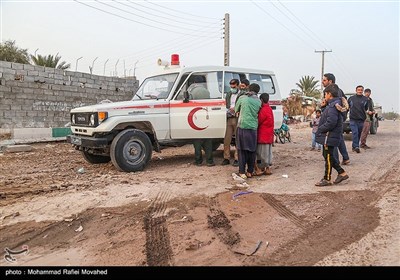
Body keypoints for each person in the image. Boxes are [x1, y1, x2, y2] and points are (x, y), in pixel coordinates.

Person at [315, 84, 349, 186]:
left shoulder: (334, 106)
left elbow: (331, 122)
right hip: (329, 136)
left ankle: (327, 178)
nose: (325, 96)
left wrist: (320, 129)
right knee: (327, 156)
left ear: (329, 94)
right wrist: (324, 106)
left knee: (328, 157)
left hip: (328, 136)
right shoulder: (333, 105)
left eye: (325, 94)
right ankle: (341, 173)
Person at [321, 73, 350, 165]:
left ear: (330, 81)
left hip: (334, 119)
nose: (322, 82)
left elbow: (331, 107)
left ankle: (335, 163)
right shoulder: (338, 90)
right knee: (339, 138)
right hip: (338, 118)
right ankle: (345, 158)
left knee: (331, 141)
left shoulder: (333, 92)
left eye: (324, 80)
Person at [234, 83, 262, 179]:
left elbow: (236, 109)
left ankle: (242, 172)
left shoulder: (243, 98)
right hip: (253, 128)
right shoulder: (259, 101)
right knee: (251, 150)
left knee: (241, 150)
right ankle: (250, 171)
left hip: (242, 126)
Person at [254, 93, 274, 176]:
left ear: (261, 100)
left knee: (260, 153)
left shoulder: (262, 110)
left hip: (262, 135)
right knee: (268, 153)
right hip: (269, 135)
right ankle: (268, 168)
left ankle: (260, 167)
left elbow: (258, 121)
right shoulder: (269, 109)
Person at [222, 79, 239, 166]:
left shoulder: (240, 94)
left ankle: (237, 158)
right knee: (227, 139)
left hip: (237, 118)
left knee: (238, 139)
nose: (232, 88)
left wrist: (235, 109)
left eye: (234, 86)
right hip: (229, 117)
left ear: (237, 85)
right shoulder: (228, 94)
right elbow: (226, 104)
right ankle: (226, 158)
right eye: (231, 86)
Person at [348, 85, 369, 153]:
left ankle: (354, 146)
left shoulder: (365, 99)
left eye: (361, 90)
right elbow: (347, 107)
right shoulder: (351, 98)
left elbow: (366, 108)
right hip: (353, 119)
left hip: (361, 120)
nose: (360, 91)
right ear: (356, 90)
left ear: (362, 91)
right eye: (358, 90)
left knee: (359, 133)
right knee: (355, 132)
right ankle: (356, 146)